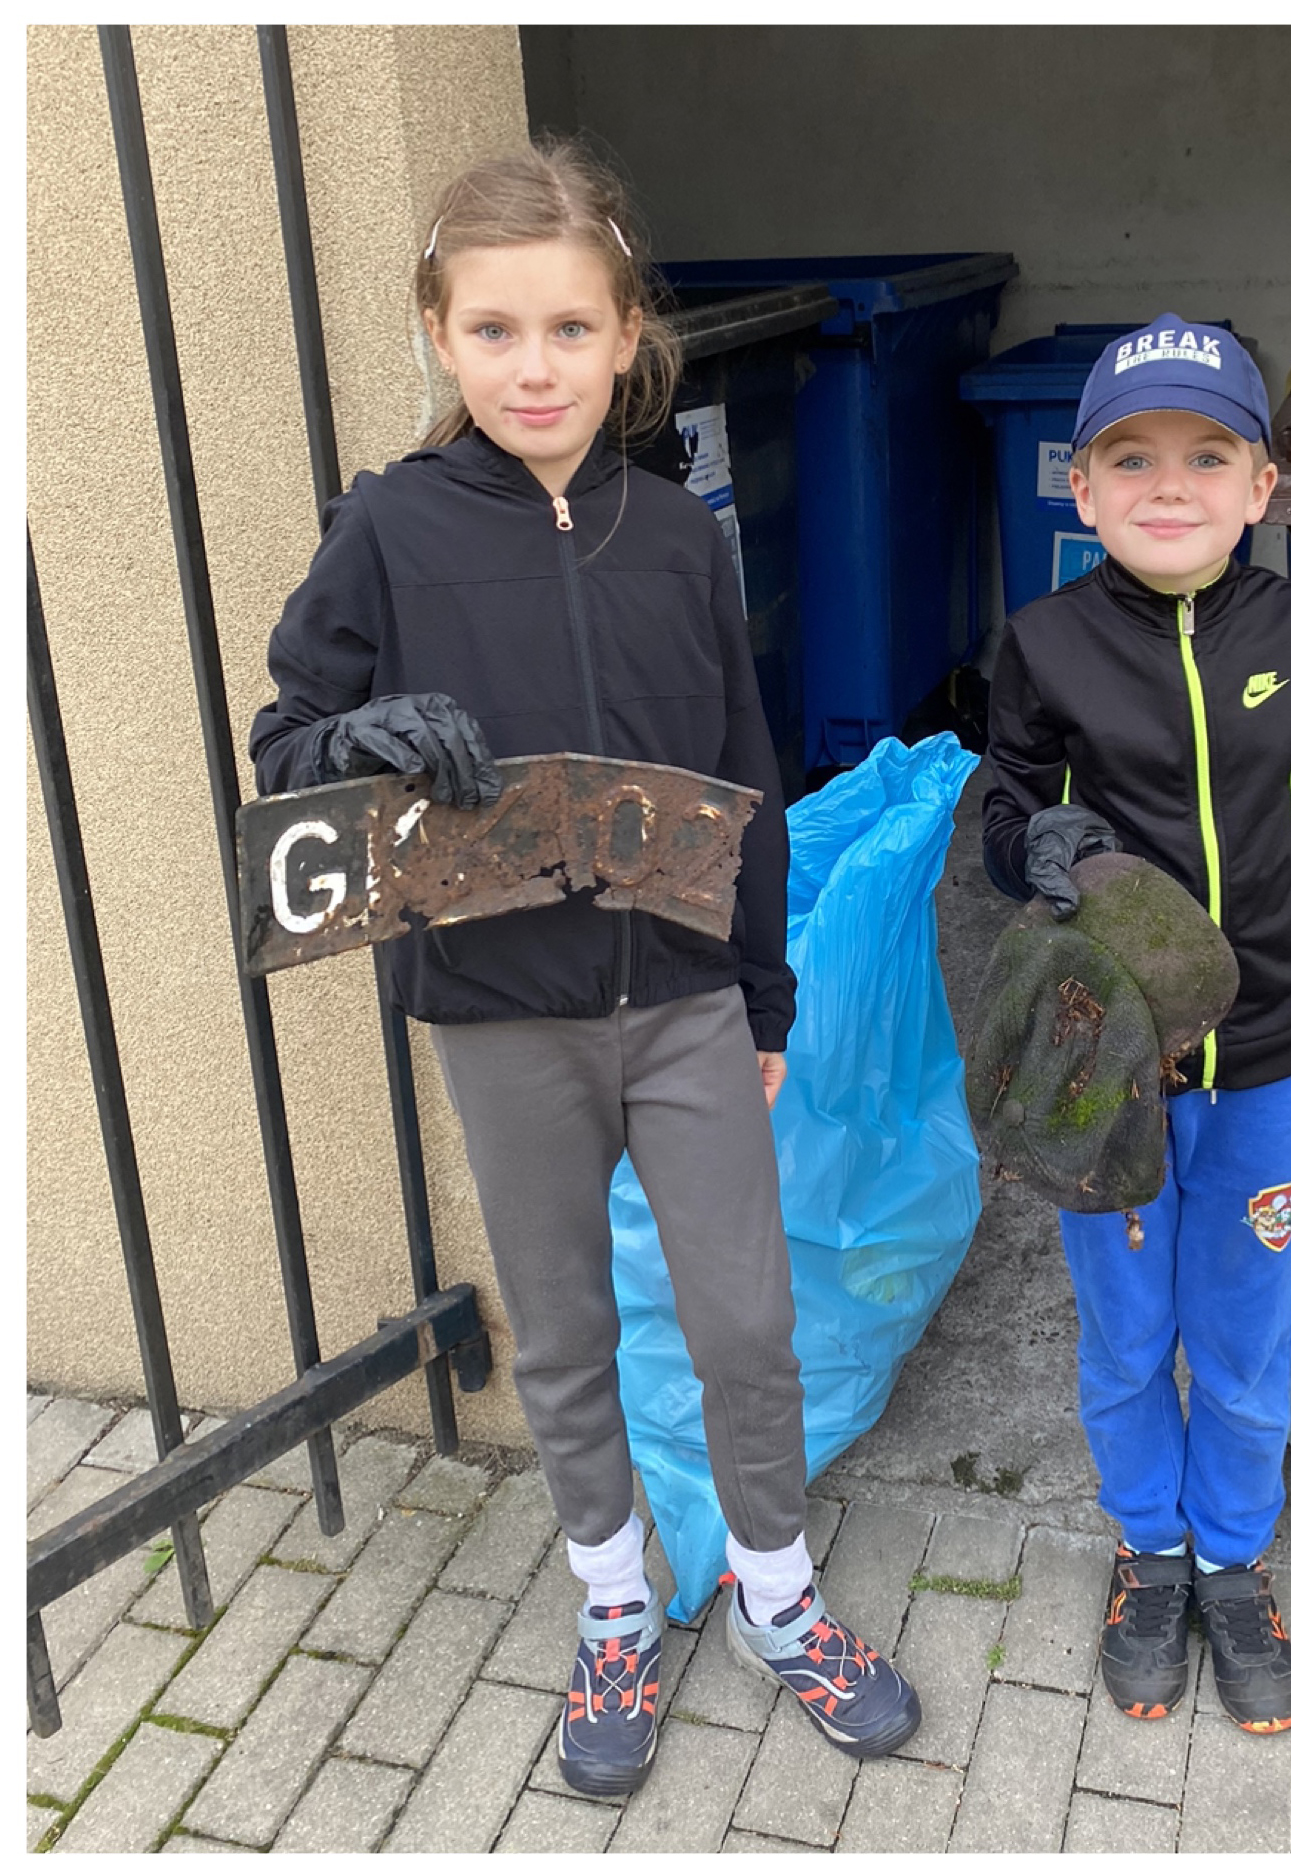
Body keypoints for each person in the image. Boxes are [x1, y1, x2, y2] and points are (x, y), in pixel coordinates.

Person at [248, 141, 918, 1796]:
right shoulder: (387, 529)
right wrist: (355, 732)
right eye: (492, 331)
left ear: (626, 337)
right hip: (501, 1017)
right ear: (438, 332)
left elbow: (741, 763)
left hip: (685, 1007)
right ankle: (613, 1606)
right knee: (560, 1334)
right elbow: (284, 746)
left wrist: (761, 995)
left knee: (743, 1326)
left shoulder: (679, 538)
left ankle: (779, 1600)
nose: (530, 367)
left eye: (565, 329)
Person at [978, 313, 1291, 1734]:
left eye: (1208, 455)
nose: (1169, 484)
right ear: (1079, 490)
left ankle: (1229, 1559)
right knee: (1130, 1329)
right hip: (1111, 1064)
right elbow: (1004, 818)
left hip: (1261, 1047)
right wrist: (1038, 845)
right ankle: (1147, 1552)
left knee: (1247, 1326)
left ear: (1260, 487)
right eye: (1129, 457)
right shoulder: (1043, 642)